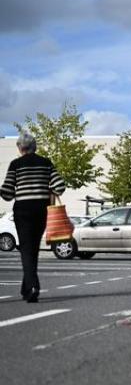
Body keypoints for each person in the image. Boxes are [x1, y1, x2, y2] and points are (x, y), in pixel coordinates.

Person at [1, 130, 65, 303]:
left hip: (23, 211)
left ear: (21, 148)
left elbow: (7, 193)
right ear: (34, 147)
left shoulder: (16, 164)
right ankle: (26, 290)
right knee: (32, 248)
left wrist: (15, 190)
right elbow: (60, 186)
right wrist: (47, 190)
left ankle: (33, 286)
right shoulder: (46, 163)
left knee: (26, 249)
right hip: (41, 210)